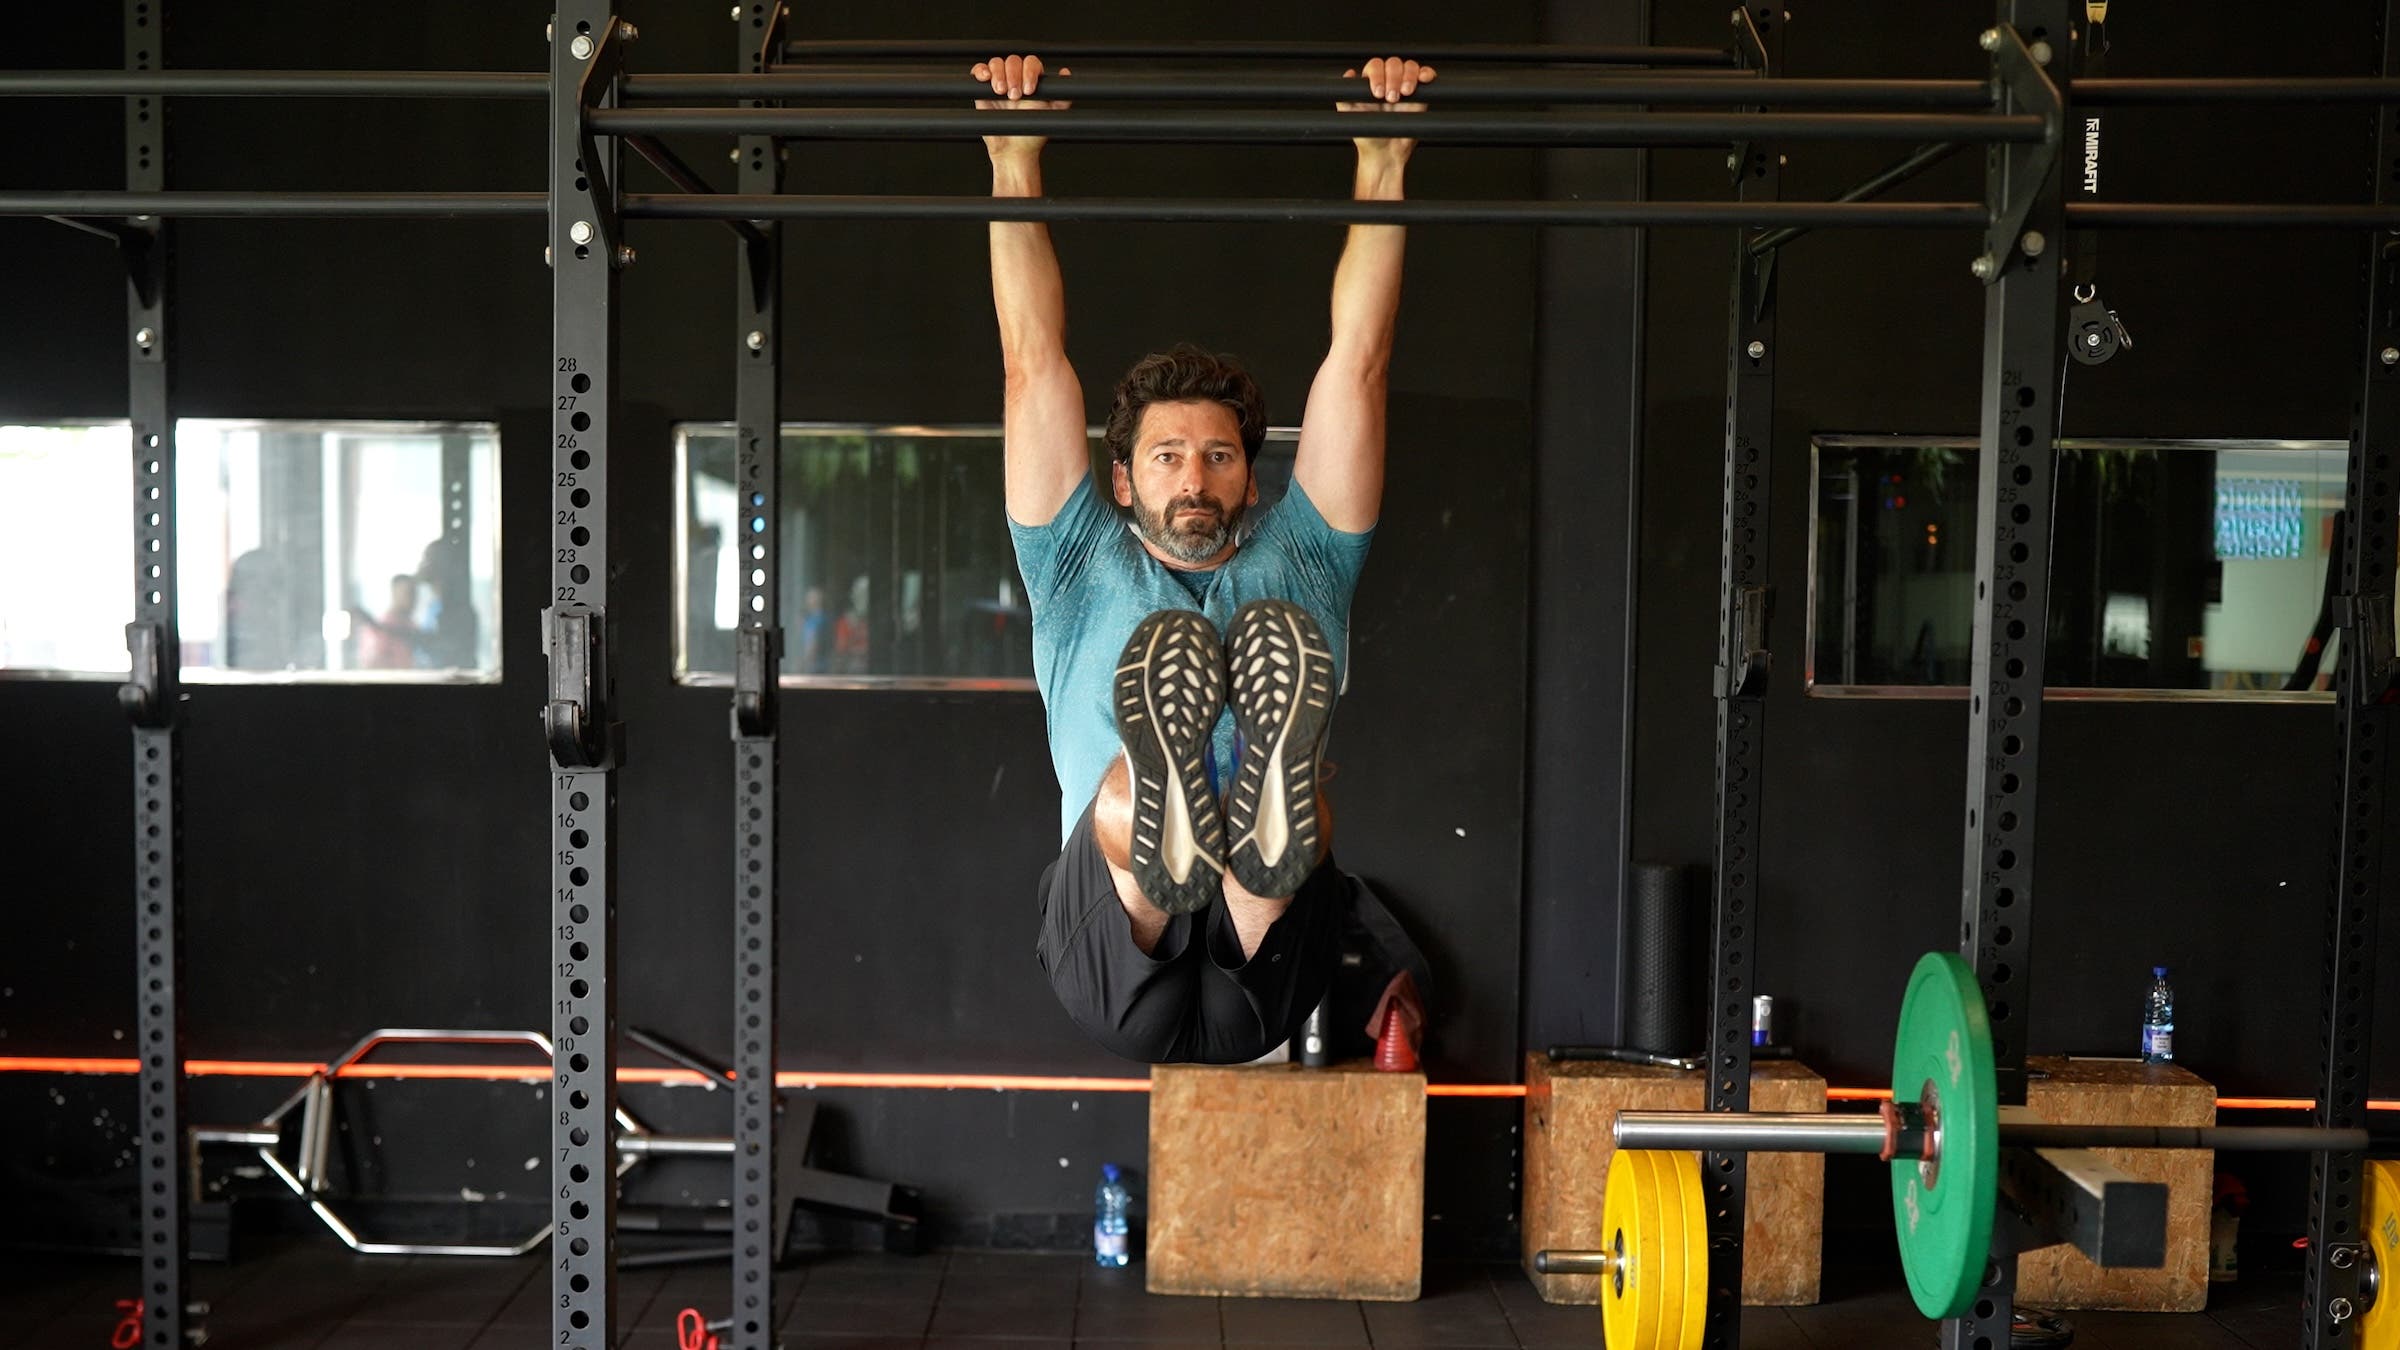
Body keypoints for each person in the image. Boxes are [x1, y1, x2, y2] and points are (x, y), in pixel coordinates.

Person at [981, 54, 1431, 1064]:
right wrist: (1014, 159)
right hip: (1116, 963)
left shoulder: (1305, 555)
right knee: (1131, 801)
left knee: (1287, 806)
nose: (1196, 477)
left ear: (1253, 480)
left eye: (1221, 456)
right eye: (1169, 457)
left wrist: (1385, 158)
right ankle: (1190, 829)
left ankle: (1239, 841)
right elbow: (1030, 361)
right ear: (1124, 481)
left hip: (1268, 980)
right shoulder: (1073, 558)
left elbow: (1359, 358)